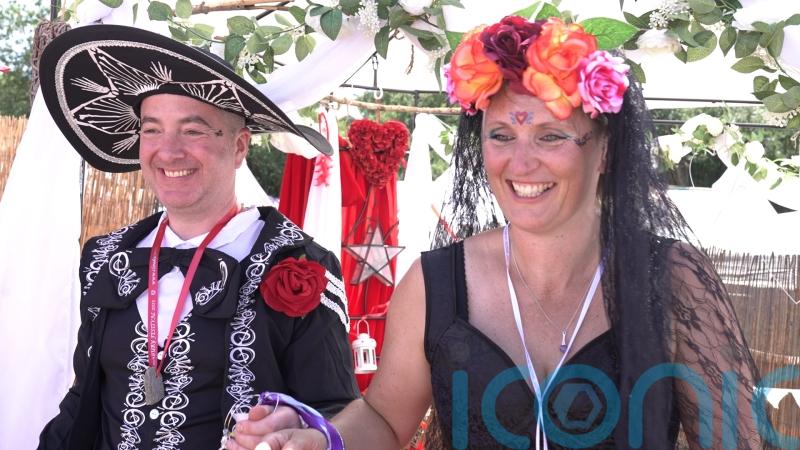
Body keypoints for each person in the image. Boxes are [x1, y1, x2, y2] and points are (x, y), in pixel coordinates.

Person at [231, 15, 769, 449]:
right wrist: (321, 438)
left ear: (604, 150)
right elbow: (385, 420)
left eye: (551, 136)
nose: (521, 162)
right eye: (502, 135)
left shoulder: (671, 280)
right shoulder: (434, 283)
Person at [36, 25, 359, 450]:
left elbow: (337, 411)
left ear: (240, 147)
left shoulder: (298, 265)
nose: (168, 151)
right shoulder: (106, 258)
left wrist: (297, 426)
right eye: (152, 130)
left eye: (193, 131)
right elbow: (84, 401)